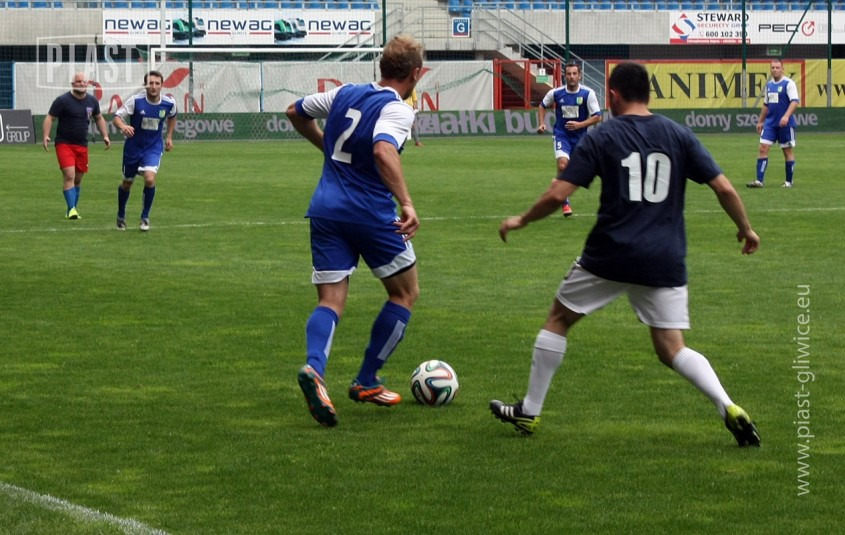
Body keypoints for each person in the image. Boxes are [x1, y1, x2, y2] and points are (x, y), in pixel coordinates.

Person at [490, 62, 762, 448]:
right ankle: (727, 404)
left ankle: (529, 411)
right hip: (664, 257)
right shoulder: (678, 134)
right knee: (672, 348)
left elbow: (558, 194)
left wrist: (522, 219)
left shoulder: (604, 135)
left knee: (559, 319)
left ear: (614, 96)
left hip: (611, 253)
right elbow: (725, 188)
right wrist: (746, 229)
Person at [286, 35, 424, 428]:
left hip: (326, 210)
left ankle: (315, 369)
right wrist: (407, 203)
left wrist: (326, 146)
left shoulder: (344, 92)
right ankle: (366, 380)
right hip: (370, 214)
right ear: (415, 74)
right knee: (405, 292)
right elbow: (383, 150)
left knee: (330, 301)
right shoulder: (398, 109)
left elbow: (294, 111)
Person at [112, 70, 177, 232]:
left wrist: (169, 136)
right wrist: (123, 126)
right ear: (145, 85)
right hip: (133, 149)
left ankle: (145, 217)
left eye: (157, 83)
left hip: (153, 148)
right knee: (127, 183)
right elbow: (117, 117)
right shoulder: (136, 101)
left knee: (149, 179)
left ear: (162, 85)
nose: (153, 86)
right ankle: (121, 215)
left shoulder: (169, 103)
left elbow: (172, 116)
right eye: (150, 83)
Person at [42, 71, 111, 220]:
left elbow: (99, 118)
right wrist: (46, 135)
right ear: (73, 84)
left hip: (82, 145)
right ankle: (72, 209)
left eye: (84, 81)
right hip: (64, 144)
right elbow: (50, 118)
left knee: (78, 179)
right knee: (69, 175)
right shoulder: (62, 101)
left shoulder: (92, 101)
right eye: (78, 81)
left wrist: (105, 135)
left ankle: (71, 209)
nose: (82, 84)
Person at [537, 62, 602, 217]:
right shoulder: (556, 93)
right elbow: (542, 105)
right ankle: (564, 202)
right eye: (569, 74)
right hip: (562, 135)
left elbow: (597, 116)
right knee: (562, 164)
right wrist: (541, 123)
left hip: (580, 137)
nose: (572, 77)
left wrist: (580, 125)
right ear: (564, 76)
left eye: (574, 74)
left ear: (580, 76)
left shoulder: (587, 94)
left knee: (581, 171)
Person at [747, 59, 799, 189]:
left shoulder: (789, 84)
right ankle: (759, 181)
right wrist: (761, 121)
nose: (775, 70)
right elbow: (766, 104)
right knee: (763, 148)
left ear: (782, 69)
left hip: (785, 124)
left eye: (777, 67)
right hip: (770, 124)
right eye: (773, 68)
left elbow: (794, 101)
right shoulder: (769, 85)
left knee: (787, 151)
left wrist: (786, 116)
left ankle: (788, 182)